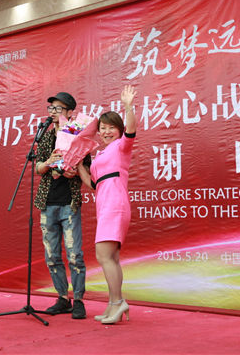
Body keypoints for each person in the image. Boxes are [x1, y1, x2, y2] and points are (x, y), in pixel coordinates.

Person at [77, 84, 137, 324]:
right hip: (104, 205)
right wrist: (78, 164)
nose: (106, 131)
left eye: (111, 127)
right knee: (111, 258)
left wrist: (128, 107)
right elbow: (93, 185)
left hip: (115, 204)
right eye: (102, 128)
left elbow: (131, 131)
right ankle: (114, 304)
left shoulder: (122, 146)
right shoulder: (100, 155)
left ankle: (118, 302)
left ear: (119, 130)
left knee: (103, 256)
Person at [34, 91, 87, 319]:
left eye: (58, 108)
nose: (53, 112)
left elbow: (86, 168)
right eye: (51, 108)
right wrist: (48, 163)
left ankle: (79, 300)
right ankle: (63, 298)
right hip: (47, 202)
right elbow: (38, 168)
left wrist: (73, 170)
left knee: (75, 254)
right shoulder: (46, 137)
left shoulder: (78, 136)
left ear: (70, 112)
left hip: (69, 202)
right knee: (52, 255)